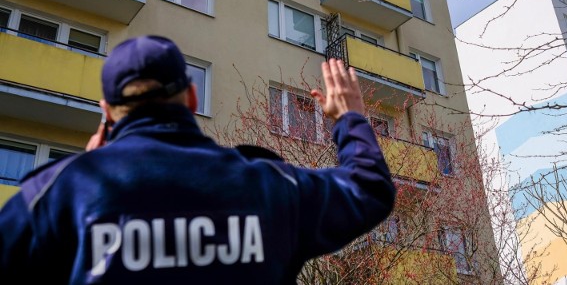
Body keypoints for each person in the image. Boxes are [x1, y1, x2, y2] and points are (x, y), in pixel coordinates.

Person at [0, 35, 395, 284]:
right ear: (191, 97)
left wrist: (84, 178)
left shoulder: (55, 194)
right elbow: (369, 189)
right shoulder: (271, 186)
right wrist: (349, 117)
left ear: (107, 111)